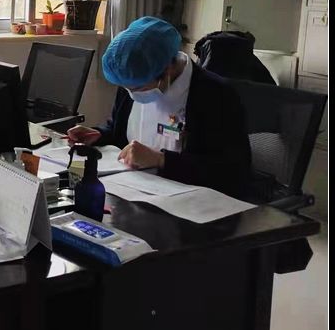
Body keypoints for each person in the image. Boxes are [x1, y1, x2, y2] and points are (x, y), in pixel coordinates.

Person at [67, 16, 251, 197]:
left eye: (138, 88)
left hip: (186, 199)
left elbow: (233, 172)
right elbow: (120, 132)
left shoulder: (216, 95)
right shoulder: (132, 77)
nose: (131, 94)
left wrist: (161, 160)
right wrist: (99, 134)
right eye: (126, 88)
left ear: (167, 70)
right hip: (131, 189)